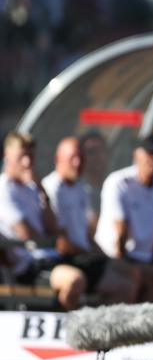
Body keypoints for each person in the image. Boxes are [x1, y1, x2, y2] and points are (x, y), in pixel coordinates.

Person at [94, 135, 153, 312]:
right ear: (137, 155)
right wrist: (128, 263)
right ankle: (130, 330)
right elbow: (120, 235)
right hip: (111, 256)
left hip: (147, 258)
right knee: (148, 277)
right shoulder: (119, 183)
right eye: (149, 154)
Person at [42, 137, 139, 304]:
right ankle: (77, 327)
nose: (78, 163)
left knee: (131, 278)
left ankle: (111, 328)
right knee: (77, 281)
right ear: (58, 159)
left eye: (81, 158)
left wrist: (103, 255)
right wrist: (89, 253)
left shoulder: (81, 190)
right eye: (72, 158)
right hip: (62, 260)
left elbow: (87, 234)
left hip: (83, 257)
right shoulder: (51, 188)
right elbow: (61, 242)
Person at [0, 132, 85, 310]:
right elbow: (26, 233)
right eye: (22, 157)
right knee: (74, 280)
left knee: (116, 277)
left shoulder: (32, 188)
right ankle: (73, 331)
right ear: (7, 156)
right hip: (29, 266)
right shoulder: (4, 189)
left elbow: (53, 227)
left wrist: (40, 189)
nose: (27, 163)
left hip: (50, 258)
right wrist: (53, 242)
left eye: (30, 156)